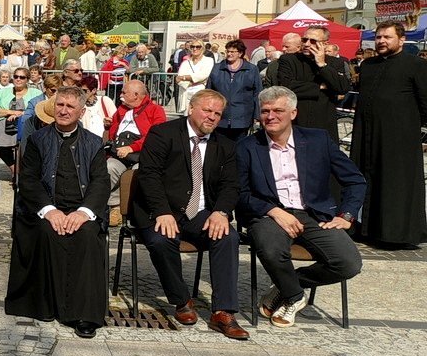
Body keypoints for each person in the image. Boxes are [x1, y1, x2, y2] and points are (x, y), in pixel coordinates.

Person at [236, 86, 365, 327]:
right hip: (269, 214)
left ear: (293, 113)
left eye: (278, 110)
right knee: (271, 249)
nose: (270, 116)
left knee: (349, 263)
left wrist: (346, 215)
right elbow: (239, 193)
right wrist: (275, 212)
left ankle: (289, 284)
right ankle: (294, 297)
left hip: (315, 213)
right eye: (265, 111)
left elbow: (355, 180)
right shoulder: (247, 146)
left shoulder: (318, 140)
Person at [131, 89, 248, 340]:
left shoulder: (225, 145)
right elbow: (148, 176)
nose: (212, 117)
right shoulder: (163, 134)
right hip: (159, 210)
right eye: (207, 110)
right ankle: (182, 299)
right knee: (161, 240)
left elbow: (231, 185)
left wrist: (221, 212)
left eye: (217, 113)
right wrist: (162, 211)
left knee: (228, 236)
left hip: (200, 212)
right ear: (190, 109)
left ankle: (223, 312)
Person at [5, 86, 111, 338]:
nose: (63, 111)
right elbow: (28, 180)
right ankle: (45, 305)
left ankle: (83, 313)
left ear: (82, 112)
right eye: (60, 105)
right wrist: (49, 210)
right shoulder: (37, 140)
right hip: (45, 207)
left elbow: (100, 182)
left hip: (81, 209)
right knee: (46, 231)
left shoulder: (95, 143)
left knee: (86, 236)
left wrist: (84, 212)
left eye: (70, 106)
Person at [351, 21, 427, 247]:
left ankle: (395, 234)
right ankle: (366, 228)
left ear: (401, 40)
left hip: (398, 138)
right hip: (366, 135)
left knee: (394, 185)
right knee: (365, 180)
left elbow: (425, 103)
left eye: (387, 37)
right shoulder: (368, 65)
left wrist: (412, 130)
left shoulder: (416, 65)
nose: (382, 41)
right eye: (379, 37)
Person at [274, 25, 351, 142]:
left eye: (313, 41)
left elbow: (342, 87)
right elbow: (286, 87)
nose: (307, 44)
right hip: (296, 121)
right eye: (304, 40)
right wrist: (320, 87)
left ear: (325, 44)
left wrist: (322, 64)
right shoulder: (289, 60)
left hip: (323, 123)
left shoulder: (335, 63)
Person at [104, 80, 166, 221]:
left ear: (136, 95)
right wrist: (109, 125)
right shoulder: (122, 110)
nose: (121, 94)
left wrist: (132, 147)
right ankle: (114, 206)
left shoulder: (155, 110)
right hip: (119, 152)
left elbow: (155, 137)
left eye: (124, 92)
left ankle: (137, 210)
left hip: (142, 153)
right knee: (109, 168)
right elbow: (115, 132)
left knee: (140, 173)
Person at [206, 39, 262, 142]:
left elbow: (257, 93)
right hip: (221, 116)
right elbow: (209, 91)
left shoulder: (251, 69)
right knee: (220, 147)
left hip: (242, 117)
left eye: (232, 52)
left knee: (239, 148)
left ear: (240, 53)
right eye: (228, 51)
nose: (229, 54)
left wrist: (257, 115)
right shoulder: (217, 68)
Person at [0, 67, 42, 170]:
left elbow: (38, 110)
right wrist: (11, 112)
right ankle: (15, 170)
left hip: (27, 125)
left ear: (27, 79)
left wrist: (21, 114)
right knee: (1, 139)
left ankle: (22, 170)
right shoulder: (2, 93)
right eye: (16, 76)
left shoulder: (36, 93)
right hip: (5, 126)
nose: (18, 79)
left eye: (22, 77)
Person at [174, 40, 213, 113]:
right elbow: (178, 79)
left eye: (198, 47)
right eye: (192, 47)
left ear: (203, 48)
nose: (195, 49)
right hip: (186, 94)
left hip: (201, 93)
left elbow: (204, 75)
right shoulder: (185, 63)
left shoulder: (208, 60)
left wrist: (184, 77)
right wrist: (190, 82)